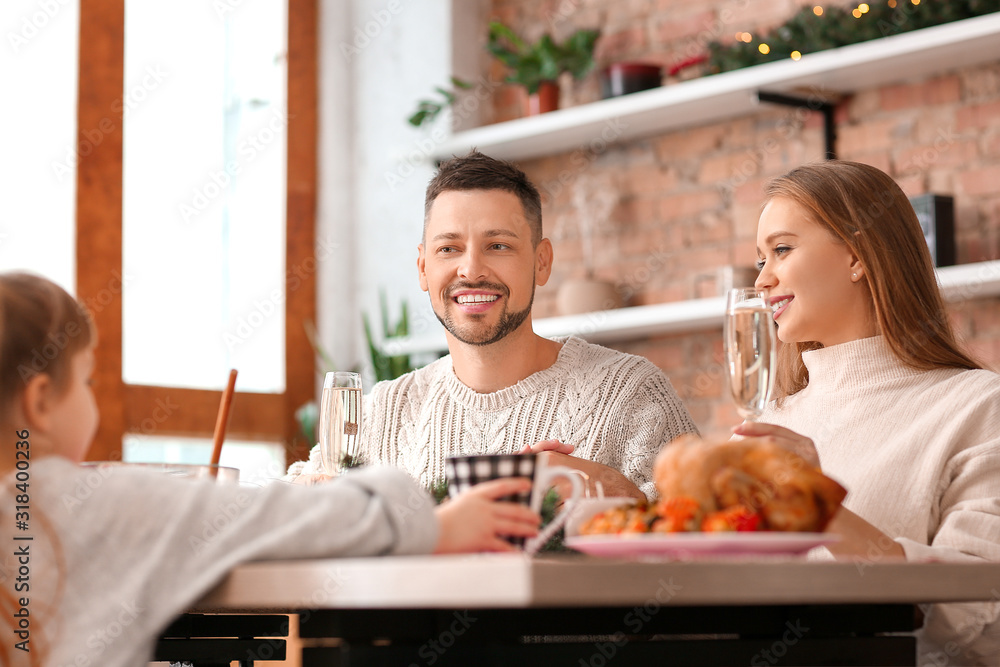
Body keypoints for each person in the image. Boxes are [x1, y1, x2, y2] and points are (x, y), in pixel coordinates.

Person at [0, 272, 540, 667]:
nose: (94, 401)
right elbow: (298, 517)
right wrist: (438, 522)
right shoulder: (94, 503)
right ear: (41, 402)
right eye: (89, 382)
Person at [287, 150, 697, 500]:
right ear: (423, 268)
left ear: (542, 262)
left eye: (498, 246)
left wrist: (609, 486)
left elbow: (713, 537)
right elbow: (296, 502)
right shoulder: (383, 410)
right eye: (449, 248)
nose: (471, 269)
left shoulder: (631, 392)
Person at [734, 160, 1000, 664]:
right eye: (759, 259)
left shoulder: (979, 406)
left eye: (782, 249)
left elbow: (983, 618)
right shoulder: (776, 423)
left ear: (857, 256)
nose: (763, 279)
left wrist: (824, 508)